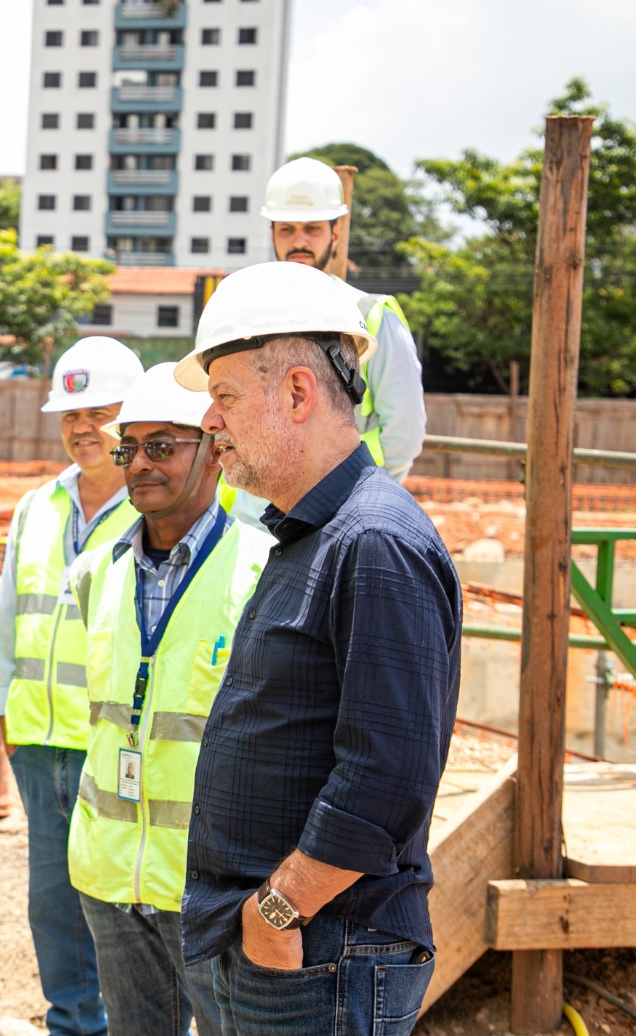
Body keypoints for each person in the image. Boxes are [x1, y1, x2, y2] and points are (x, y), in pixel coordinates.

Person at [175, 262, 461, 1036]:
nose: (210, 422)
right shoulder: (319, 534)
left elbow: (387, 774)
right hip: (295, 949)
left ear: (298, 392)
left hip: (319, 949)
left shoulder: (372, 541)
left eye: (225, 397)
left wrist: (276, 910)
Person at [65, 363, 273, 1036]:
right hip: (111, 879)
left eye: (162, 446)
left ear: (214, 450)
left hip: (211, 884)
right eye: (129, 448)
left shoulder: (263, 573)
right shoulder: (96, 575)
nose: (139, 465)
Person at [0, 335, 145, 1036]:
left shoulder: (157, 506)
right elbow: (10, 611)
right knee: (54, 899)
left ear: (132, 417)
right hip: (40, 741)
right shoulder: (36, 507)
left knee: (129, 900)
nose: (82, 428)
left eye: (98, 412)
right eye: (70, 415)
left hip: (120, 741)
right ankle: (73, 1024)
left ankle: (145, 1021)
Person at [219, 156, 423, 527]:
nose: (299, 241)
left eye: (312, 228)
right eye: (287, 229)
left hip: (339, 518)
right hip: (249, 524)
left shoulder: (372, 316)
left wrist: (360, 505)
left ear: (335, 232)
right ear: (272, 234)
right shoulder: (244, 316)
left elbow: (403, 436)